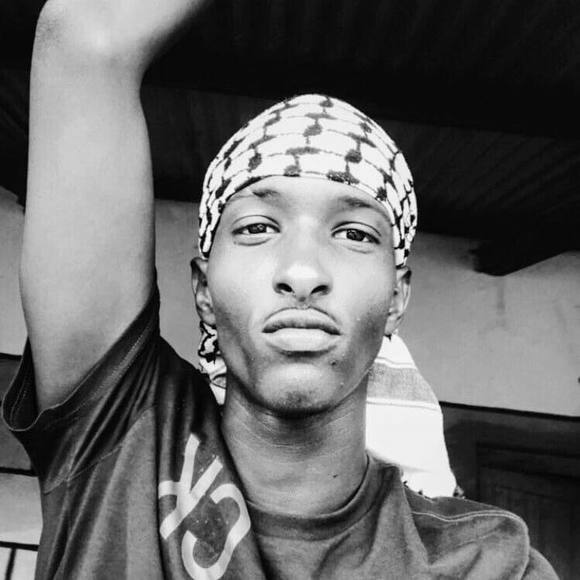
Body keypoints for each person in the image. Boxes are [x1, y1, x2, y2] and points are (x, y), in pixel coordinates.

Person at [2, 0, 557, 578]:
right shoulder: (120, 437)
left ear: (397, 298)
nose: (302, 270)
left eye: (354, 233)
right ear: (203, 289)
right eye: (257, 228)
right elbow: (84, 39)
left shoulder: (484, 562)